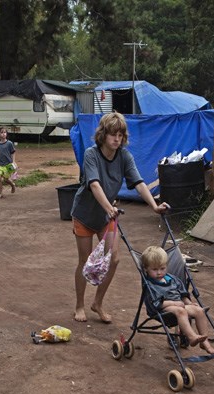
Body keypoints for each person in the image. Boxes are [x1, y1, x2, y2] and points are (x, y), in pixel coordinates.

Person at [71, 112, 168, 323]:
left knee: (113, 259)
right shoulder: (91, 154)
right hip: (85, 215)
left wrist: (154, 206)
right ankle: (79, 305)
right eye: (113, 134)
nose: (117, 139)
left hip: (107, 217)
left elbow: (139, 183)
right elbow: (94, 184)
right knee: (85, 262)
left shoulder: (124, 156)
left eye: (121, 135)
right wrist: (108, 208)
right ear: (103, 135)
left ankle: (97, 303)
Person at [141, 246, 214, 354]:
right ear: (146, 269)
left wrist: (189, 303)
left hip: (180, 305)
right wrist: (174, 303)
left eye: (162, 268)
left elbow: (182, 293)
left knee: (199, 311)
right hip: (162, 309)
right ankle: (192, 337)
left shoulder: (172, 279)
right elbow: (156, 304)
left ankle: (205, 343)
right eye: (154, 269)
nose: (159, 273)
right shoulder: (150, 285)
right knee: (180, 311)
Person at [0, 127, 16, 198]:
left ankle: (12, 185)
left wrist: (13, 161)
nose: (4, 134)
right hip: (0, 164)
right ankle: (0, 193)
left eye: (5, 132)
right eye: (2, 132)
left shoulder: (9, 143)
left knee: (6, 180)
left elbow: (13, 152)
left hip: (8, 164)